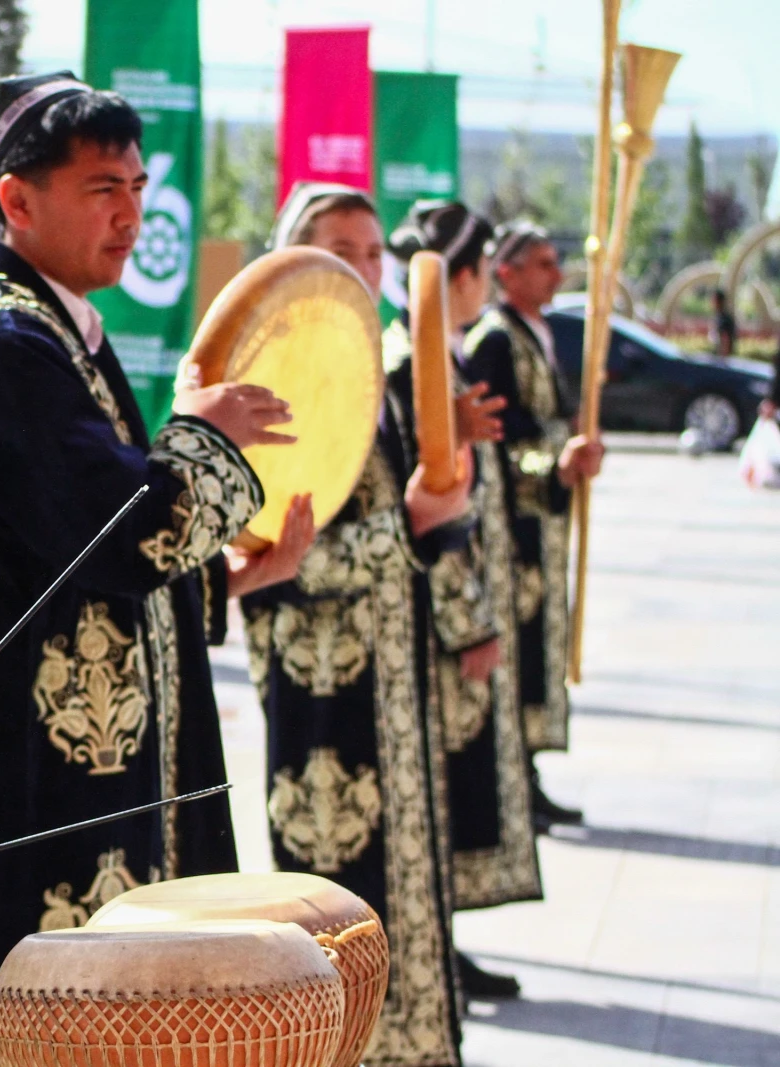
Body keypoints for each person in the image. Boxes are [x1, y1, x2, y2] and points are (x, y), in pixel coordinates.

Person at [0, 73, 293, 1067]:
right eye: (101, 189)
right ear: (17, 199)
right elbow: (128, 536)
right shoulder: (3, 344)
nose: (130, 213)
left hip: (75, 762)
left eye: (135, 186)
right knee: (50, 1020)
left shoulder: (49, 326)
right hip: (36, 772)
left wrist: (237, 574)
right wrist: (208, 436)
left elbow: (73, 552)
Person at [240, 183, 476, 1066]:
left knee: (411, 895)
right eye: (339, 249)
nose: (362, 269)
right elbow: (271, 559)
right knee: (336, 911)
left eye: (374, 252)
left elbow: (425, 516)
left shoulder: (385, 372)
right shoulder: (271, 380)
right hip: (321, 687)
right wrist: (404, 528)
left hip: (399, 675)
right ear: (293, 257)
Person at [384, 201, 545, 1002]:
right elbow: (429, 508)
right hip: (431, 616)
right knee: (435, 786)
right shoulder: (408, 365)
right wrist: (468, 622)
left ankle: (443, 939)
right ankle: (430, 948)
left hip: (457, 599)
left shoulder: (436, 356)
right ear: (467, 275)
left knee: (448, 788)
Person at [463, 221, 604, 827]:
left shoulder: (538, 332)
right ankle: (515, 778)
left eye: (555, 262)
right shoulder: (495, 340)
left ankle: (529, 773)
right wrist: (554, 460)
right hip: (512, 525)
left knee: (539, 643)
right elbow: (500, 435)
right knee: (519, 645)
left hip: (541, 523)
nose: (555, 274)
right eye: (542, 264)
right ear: (507, 272)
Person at [712, 288, 737, 358]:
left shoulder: (724, 319)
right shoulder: (719, 316)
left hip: (723, 358)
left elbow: (726, 339)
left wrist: (723, 358)